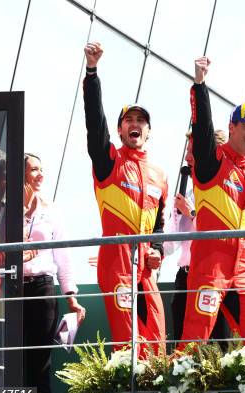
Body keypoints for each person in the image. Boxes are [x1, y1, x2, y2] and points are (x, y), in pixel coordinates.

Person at [178, 56, 245, 349]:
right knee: (196, 334)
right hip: (211, 261)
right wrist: (200, 85)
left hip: (244, 263)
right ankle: (178, 383)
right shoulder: (212, 161)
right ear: (231, 127)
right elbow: (202, 127)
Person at [83, 41, 167, 356]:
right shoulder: (109, 161)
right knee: (128, 337)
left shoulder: (159, 174)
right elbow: (94, 125)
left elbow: (160, 224)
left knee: (156, 333)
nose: (135, 124)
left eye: (141, 121)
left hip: (145, 263)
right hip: (116, 257)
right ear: (119, 130)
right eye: (128, 120)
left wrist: (157, 248)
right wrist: (92, 73)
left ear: (148, 131)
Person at [165, 130, 241, 350]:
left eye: (192, 152)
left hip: (216, 277)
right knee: (183, 347)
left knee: (219, 347)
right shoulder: (186, 193)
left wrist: (191, 213)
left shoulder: (229, 189)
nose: (187, 158)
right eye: (187, 152)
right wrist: (176, 217)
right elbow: (170, 246)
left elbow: (222, 233)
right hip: (186, 277)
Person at [22, 153, 86, 393]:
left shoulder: (52, 210)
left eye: (41, 169)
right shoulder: (3, 207)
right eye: (34, 170)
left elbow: (64, 256)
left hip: (42, 288)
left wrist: (71, 296)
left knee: (40, 361)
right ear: (21, 174)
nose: (41, 174)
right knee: (12, 358)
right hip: (9, 288)